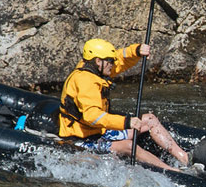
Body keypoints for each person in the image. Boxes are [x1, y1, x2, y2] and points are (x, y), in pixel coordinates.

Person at [58, 38, 189, 171]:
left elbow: (120, 58)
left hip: (100, 133)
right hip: (81, 140)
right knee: (129, 146)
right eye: (109, 62)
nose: (112, 64)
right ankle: (172, 171)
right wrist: (126, 122)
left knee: (150, 120)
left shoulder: (94, 68)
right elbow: (93, 117)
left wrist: (137, 51)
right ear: (98, 61)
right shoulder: (85, 81)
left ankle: (184, 158)